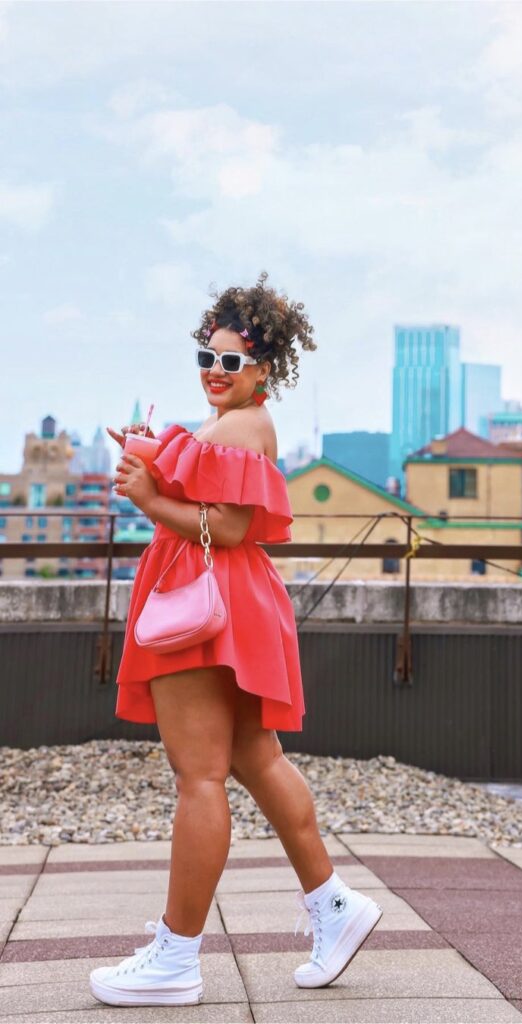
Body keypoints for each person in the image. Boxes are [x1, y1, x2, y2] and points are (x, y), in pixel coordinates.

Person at [89, 272, 382, 1007]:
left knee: (199, 777)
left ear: (263, 371)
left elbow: (235, 529)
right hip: (230, 603)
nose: (215, 373)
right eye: (206, 357)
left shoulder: (246, 425)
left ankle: (175, 956)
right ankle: (333, 905)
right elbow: (206, 489)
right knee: (253, 756)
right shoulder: (219, 430)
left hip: (206, 605)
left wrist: (150, 494)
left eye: (230, 362)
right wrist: (155, 463)